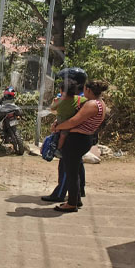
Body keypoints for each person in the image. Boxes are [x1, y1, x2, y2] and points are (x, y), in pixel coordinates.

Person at [50, 79, 109, 212]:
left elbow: (73, 122)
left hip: (77, 139)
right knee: (74, 171)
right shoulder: (101, 103)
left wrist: (58, 127)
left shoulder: (91, 104)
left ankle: (71, 204)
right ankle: (76, 199)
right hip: (85, 138)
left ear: (88, 90)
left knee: (71, 172)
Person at [42, 68, 88, 202]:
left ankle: (60, 194)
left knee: (66, 166)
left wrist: (58, 126)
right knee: (77, 164)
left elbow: (72, 120)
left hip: (71, 136)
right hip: (80, 136)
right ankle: (79, 191)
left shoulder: (78, 99)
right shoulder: (84, 99)